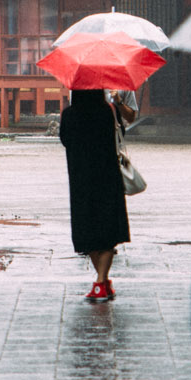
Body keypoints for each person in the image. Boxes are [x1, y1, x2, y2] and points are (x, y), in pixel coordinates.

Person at [57, 86, 134, 300]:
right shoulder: (109, 111)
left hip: (80, 179)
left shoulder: (69, 115)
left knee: (87, 230)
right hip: (108, 176)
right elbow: (121, 133)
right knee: (109, 229)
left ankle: (101, 282)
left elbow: (64, 140)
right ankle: (102, 281)